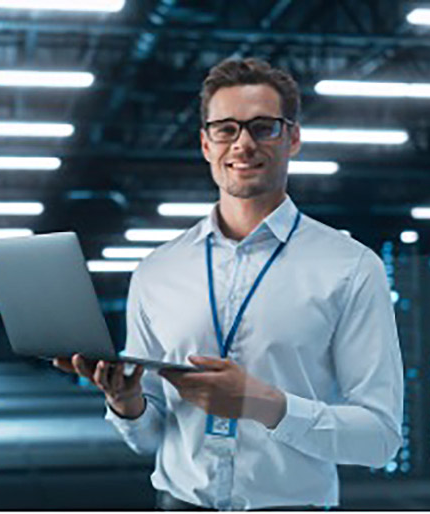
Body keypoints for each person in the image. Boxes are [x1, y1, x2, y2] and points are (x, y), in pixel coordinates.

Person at [54, 57, 403, 511]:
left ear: (292, 138)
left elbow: (379, 439)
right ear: (205, 143)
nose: (243, 144)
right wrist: (128, 403)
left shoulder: (351, 268)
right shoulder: (158, 270)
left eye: (263, 127)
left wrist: (266, 404)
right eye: (226, 129)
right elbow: (150, 437)